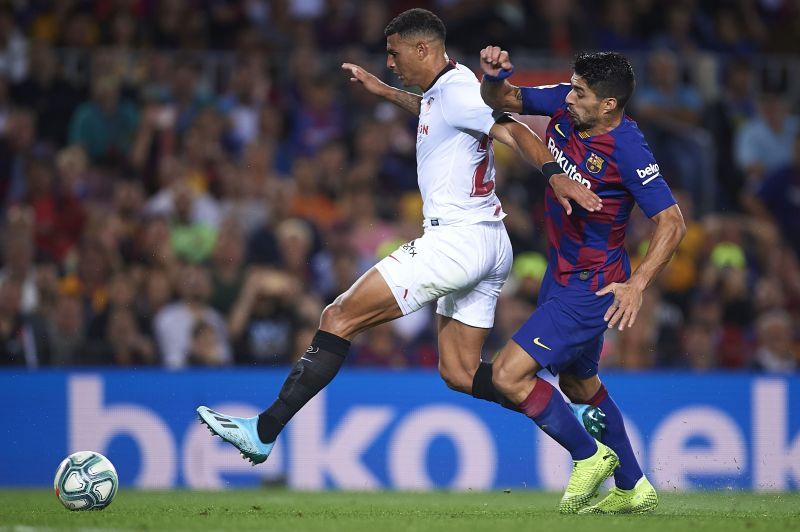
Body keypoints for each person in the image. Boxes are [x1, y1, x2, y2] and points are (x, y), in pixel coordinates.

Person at [197, 6, 600, 483]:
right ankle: (581, 436)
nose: (390, 62)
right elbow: (439, 113)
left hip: (457, 241)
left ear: (422, 48)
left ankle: (263, 431)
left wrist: (556, 177)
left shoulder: (460, 90)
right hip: (489, 240)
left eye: (394, 55)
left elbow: (510, 128)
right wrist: (385, 92)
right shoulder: (448, 89)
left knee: (338, 316)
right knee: (459, 371)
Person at [479, 47, 686, 514]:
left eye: (580, 92)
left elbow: (672, 222)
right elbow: (503, 99)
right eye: (571, 86)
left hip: (594, 284)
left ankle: (588, 456)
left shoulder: (628, 148)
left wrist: (638, 284)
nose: (568, 97)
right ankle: (634, 488)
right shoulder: (564, 104)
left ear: (609, 104)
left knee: (508, 374)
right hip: (560, 272)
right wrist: (493, 79)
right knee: (579, 382)